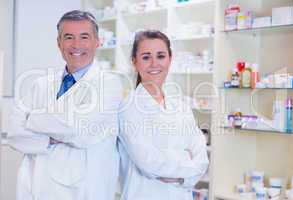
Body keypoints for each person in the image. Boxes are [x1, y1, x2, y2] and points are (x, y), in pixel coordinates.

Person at [7, 10, 123, 200]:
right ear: (59, 43)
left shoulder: (109, 85)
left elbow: (79, 130)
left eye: (84, 37)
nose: (76, 45)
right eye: (68, 37)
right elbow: (13, 133)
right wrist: (50, 139)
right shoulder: (40, 84)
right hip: (33, 187)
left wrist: (32, 120)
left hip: (79, 191)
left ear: (97, 42)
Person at [118, 30, 209, 200]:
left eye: (160, 56)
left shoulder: (181, 106)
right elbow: (148, 161)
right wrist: (184, 159)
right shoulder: (128, 108)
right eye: (146, 57)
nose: (154, 64)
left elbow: (202, 159)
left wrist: (179, 170)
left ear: (170, 59)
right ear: (134, 62)